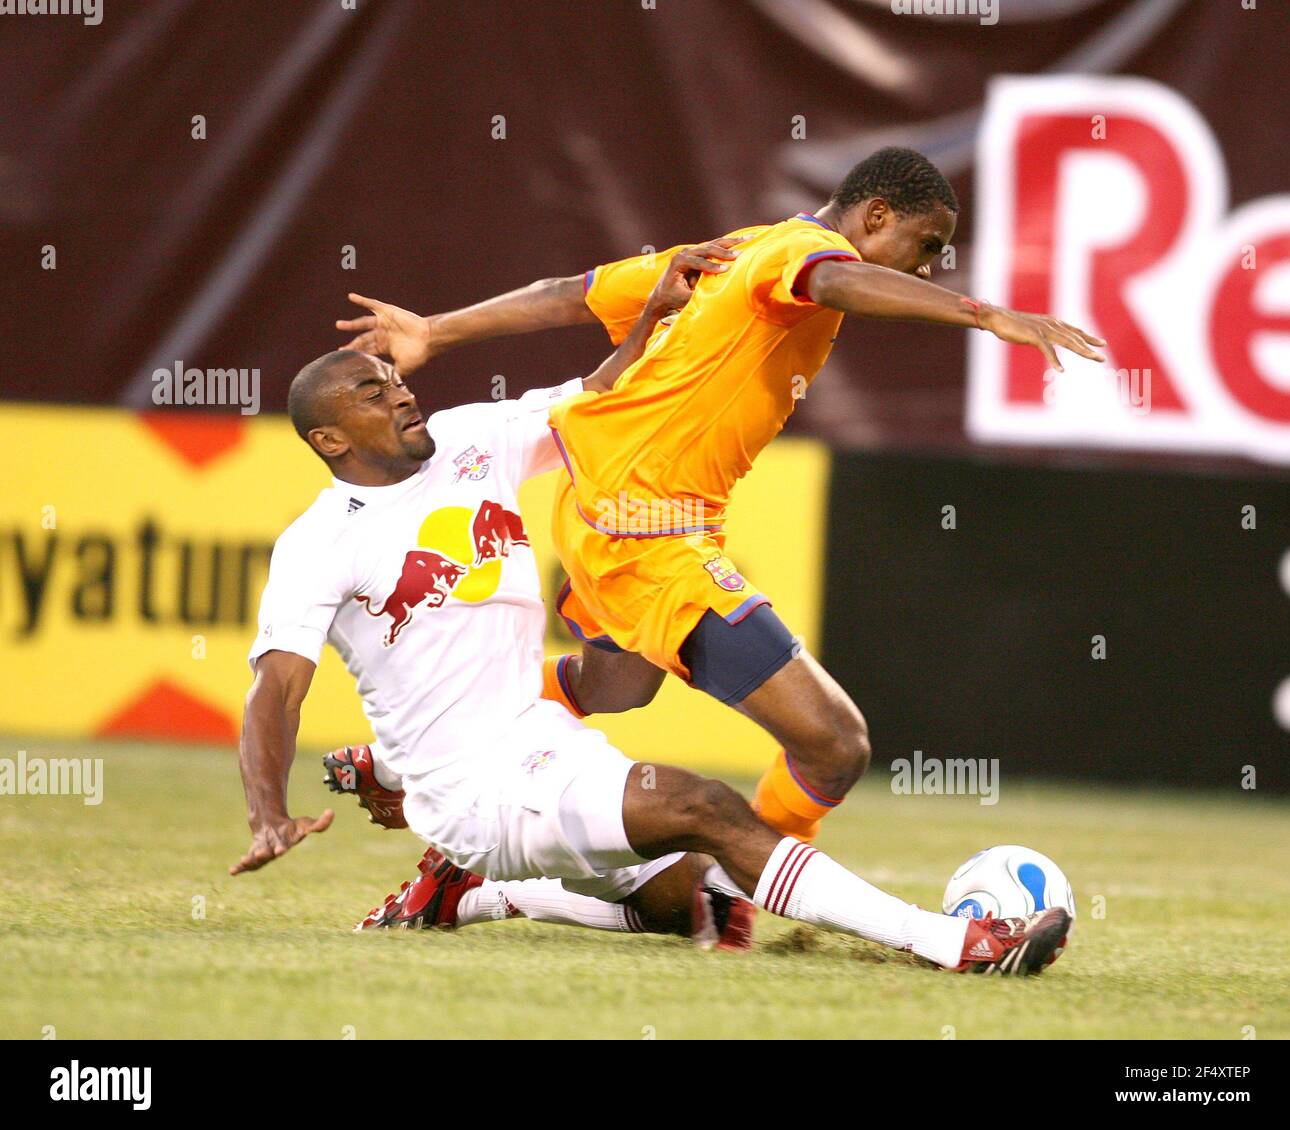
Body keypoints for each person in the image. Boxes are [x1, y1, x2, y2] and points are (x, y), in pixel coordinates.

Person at [235, 291, 1073, 978]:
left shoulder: (468, 440)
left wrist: (650, 324)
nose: (401, 392)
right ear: (330, 439)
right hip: (475, 789)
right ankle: (958, 945)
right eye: (371, 393)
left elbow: (597, 398)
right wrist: (268, 811)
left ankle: (469, 895)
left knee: (704, 902)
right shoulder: (320, 542)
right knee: (706, 807)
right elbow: (276, 688)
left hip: (542, 740)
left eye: (393, 376)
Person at [333, 147, 1106, 846]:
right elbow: (834, 277)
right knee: (836, 745)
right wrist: (983, 312)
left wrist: (436, 330)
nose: (930, 266)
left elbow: (573, 294)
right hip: (646, 527)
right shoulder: (806, 253)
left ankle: (401, 760)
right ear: (875, 217)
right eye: (927, 245)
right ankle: (753, 876)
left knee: (613, 685)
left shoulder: (736, 247)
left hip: (600, 497)